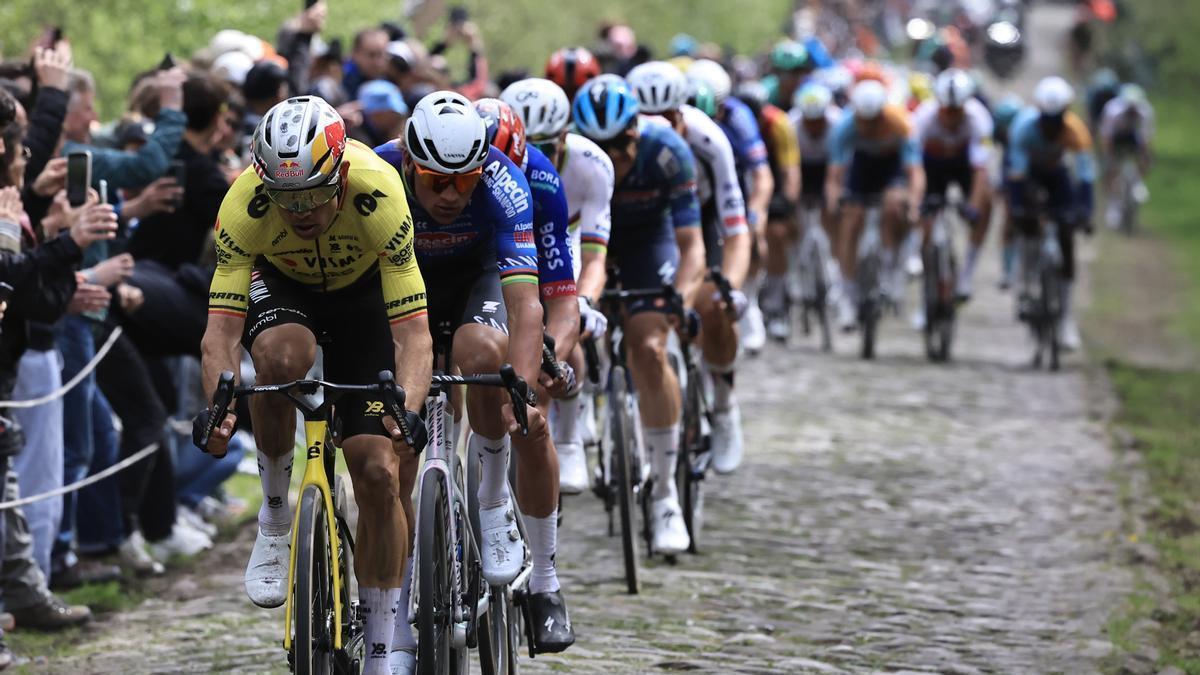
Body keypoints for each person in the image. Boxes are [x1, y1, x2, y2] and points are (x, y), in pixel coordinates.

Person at [196, 96, 431, 675]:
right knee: (278, 358)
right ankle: (276, 514)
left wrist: (407, 409)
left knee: (378, 471)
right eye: (285, 197)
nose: (299, 211)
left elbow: (415, 336)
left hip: (362, 300)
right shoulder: (244, 204)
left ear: (342, 172)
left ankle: (381, 644)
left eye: (312, 194)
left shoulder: (379, 191)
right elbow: (219, 337)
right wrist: (219, 409)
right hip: (283, 288)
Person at [374, 91, 573, 667]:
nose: (449, 195)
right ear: (410, 163)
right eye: (437, 181)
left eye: (464, 182)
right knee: (395, 433)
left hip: (479, 277)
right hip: (404, 281)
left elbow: (528, 306)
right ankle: (395, 617)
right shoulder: (378, 173)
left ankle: (492, 504)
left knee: (483, 353)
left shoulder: (506, 182)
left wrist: (523, 395)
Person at [572, 76, 705, 553]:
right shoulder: (576, 163)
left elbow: (692, 247)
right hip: (592, 245)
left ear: (637, 130)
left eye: (623, 144)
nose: (616, 157)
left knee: (649, 347)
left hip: (651, 241)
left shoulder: (668, 151)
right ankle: (591, 404)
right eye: (601, 147)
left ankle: (666, 494)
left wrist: (679, 301)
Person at [627, 61, 751, 474]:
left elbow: (736, 230)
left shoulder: (708, 139)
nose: (657, 127)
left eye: (667, 118)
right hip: (649, 229)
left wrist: (730, 287)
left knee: (715, 304)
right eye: (646, 119)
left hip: (703, 222)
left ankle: (723, 402)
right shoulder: (625, 145)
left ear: (682, 114)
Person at [500, 77, 613, 495]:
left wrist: (585, 303)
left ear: (566, 136)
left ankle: (568, 436)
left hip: (563, 238)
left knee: (564, 330)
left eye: (547, 146)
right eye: (529, 144)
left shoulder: (590, 164)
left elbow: (595, 253)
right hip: (508, 238)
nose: (533, 156)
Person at [686, 59, 774, 354]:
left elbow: (761, 174)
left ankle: (750, 304)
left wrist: (757, 211)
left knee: (751, 232)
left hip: (730, 184)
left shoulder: (738, 119)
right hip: (689, 195)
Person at [826, 79, 925, 331]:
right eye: (864, 121)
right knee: (850, 219)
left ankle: (891, 271)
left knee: (894, 206)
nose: (869, 126)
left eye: (875, 120)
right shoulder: (844, 127)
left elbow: (915, 172)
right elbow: (834, 177)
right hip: (861, 171)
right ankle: (847, 297)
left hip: (891, 171)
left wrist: (913, 203)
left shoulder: (900, 123)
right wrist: (835, 202)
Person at [1005, 76, 1095, 351]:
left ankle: (1066, 318)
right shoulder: (1023, 127)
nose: (1052, 126)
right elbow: (1016, 173)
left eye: (1058, 120)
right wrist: (1018, 207)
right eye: (1047, 119)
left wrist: (1085, 212)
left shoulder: (1075, 131)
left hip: (1058, 177)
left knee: (1067, 239)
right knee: (1028, 228)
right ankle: (1024, 285)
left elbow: (1085, 175)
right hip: (1030, 177)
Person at [911, 69, 994, 308]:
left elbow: (980, 170)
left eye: (957, 111)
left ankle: (966, 273)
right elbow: (914, 168)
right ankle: (927, 297)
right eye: (946, 110)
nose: (951, 117)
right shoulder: (923, 118)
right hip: (931, 167)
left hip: (963, 165)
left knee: (986, 201)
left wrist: (974, 208)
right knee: (925, 222)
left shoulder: (979, 118)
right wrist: (918, 204)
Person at [733, 79, 802, 350]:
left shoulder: (779, 124)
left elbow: (790, 169)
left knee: (776, 232)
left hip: (769, 173)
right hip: (741, 177)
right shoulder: (732, 123)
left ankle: (775, 297)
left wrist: (788, 201)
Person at [1098, 83, 1153, 229]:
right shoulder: (1112, 110)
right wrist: (1109, 158)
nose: (1132, 111)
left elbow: (1145, 139)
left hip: (1133, 137)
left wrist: (1144, 159)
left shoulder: (1146, 112)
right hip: (1115, 137)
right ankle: (1112, 205)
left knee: (1143, 162)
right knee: (1112, 168)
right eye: (1129, 108)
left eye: (1134, 108)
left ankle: (1137, 186)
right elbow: (1106, 138)